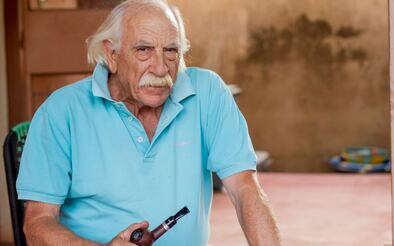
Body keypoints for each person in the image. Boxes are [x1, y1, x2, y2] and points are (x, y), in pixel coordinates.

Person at [16, 0, 281, 245]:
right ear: (112, 55)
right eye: (143, 50)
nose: (160, 68)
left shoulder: (208, 92)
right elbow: (37, 223)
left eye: (170, 51)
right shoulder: (61, 110)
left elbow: (245, 189)